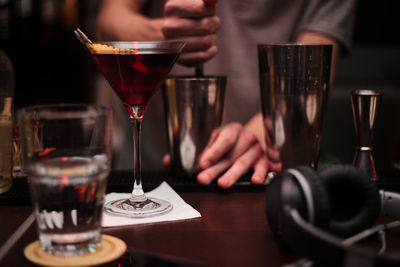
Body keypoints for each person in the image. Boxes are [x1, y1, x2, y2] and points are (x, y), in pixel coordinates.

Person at [95, 0, 356, 189]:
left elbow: (310, 71)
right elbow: (109, 19)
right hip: (151, 172)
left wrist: (253, 137)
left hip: (262, 175)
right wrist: (163, 38)